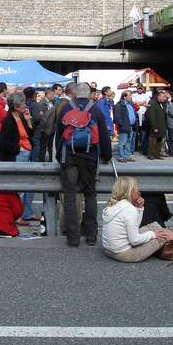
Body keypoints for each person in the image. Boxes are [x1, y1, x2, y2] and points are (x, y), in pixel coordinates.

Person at [101, 177, 173, 263]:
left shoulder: (114, 205)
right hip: (126, 254)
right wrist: (153, 235)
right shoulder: (129, 209)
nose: (139, 192)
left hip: (110, 251)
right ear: (130, 192)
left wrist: (139, 209)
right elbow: (134, 240)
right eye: (136, 189)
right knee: (161, 234)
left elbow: (135, 226)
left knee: (155, 226)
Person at [56, 82, 112, 247]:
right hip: (90, 157)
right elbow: (103, 136)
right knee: (90, 195)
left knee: (70, 196)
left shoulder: (66, 108)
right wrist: (106, 156)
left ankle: (73, 238)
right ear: (89, 95)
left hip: (70, 158)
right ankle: (91, 236)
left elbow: (59, 135)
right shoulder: (95, 110)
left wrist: (60, 157)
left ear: (73, 93)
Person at [0, 92, 37, 225]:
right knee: (20, 188)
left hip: (25, 152)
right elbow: (5, 143)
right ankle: (17, 216)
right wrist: (19, 148)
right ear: (16, 105)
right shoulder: (8, 120)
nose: (25, 105)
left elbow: (30, 133)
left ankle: (27, 212)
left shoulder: (20, 116)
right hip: (18, 155)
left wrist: (28, 120)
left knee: (29, 186)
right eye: (22, 103)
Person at [113, 90, 136, 163]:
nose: (131, 97)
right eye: (129, 95)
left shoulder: (130, 104)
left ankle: (127, 156)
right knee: (122, 142)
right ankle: (121, 156)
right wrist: (121, 124)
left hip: (130, 126)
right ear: (125, 97)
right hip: (124, 127)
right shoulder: (119, 105)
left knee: (128, 142)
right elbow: (117, 117)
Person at [146, 91, 167, 160]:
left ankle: (157, 154)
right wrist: (154, 127)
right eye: (163, 97)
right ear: (159, 96)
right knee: (153, 140)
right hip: (155, 126)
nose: (165, 98)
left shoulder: (163, 104)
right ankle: (151, 155)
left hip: (162, 126)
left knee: (159, 141)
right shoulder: (152, 103)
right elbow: (152, 116)